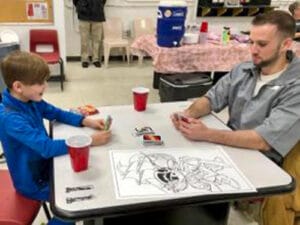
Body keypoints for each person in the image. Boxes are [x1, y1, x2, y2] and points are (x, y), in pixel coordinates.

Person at [170, 10, 300, 225]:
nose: (253, 51)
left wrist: (207, 134)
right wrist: (188, 114)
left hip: (265, 164)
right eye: (251, 42)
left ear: (286, 44)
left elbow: (263, 140)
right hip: (230, 151)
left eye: (262, 44)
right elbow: (212, 98)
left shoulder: (296, 86)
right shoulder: (244, 69)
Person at [0, 51, 111, 225]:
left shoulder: (30, 99)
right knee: (74, 206)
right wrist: (90, 141)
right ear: (18, 86)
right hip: (32, 182)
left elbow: (55, 113)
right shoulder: (10, 118)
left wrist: (85, 121)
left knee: (89, 180)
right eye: (39, 83)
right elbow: (46, 147)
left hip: (45, 167)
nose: (45, 86)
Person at [73, 0, 106, 68]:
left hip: (97, 14)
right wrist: (81, 5)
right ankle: (85, 60)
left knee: (97, 40)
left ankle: (95, 59)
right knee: (84, 40)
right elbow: (75, 1)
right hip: (83, 15)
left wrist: (99, 5)